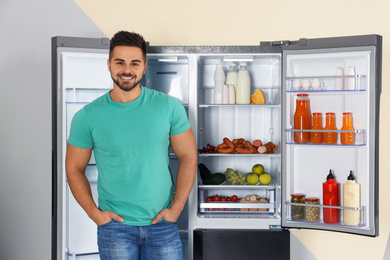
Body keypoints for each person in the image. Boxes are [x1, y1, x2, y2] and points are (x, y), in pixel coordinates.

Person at [65, 30, 197, 260]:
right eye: (120, 62)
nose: (127, 70)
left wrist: (176, 208)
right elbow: (73, 168)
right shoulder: (87, 116)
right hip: (115, 229)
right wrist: (95, 214)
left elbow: (188, 156)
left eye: (134, 63)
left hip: (162, 225)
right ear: (108, 64)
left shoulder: (168, 107)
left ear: (144, 67)